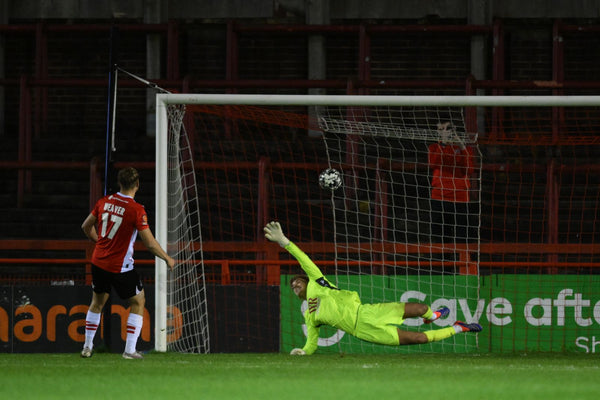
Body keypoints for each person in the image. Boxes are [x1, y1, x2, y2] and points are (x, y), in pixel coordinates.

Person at [263, 221, 482, 355]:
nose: (295, 285)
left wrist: (284, 242)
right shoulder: (311, 316)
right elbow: (311, 343)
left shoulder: (317, 282)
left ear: (305, 280)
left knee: (420, 307)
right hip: (365, 331)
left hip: (367, 311)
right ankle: (460, 327)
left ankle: (432, 315)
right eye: (292, 286)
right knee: (418, 339)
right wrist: (302, 351)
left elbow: (304, 259)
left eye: (297, 281)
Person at [80, 167, 175, 359]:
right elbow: (149, 243)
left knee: (96, 303)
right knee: (138, 301)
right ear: (137, 185)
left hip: (98, 262)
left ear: (119, 183)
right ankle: (129, 350)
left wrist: (99, 241)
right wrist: (167, 258)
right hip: (120, 267)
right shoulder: (136, 210)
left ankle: (87, 347)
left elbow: (85, 226)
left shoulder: (104, 202)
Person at [428, 122, 475, 244]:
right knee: (440, 238)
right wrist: (443, 144)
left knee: (463, 236)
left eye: (448, 128)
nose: (445, 132)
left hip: (460, 198)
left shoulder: (465, 148)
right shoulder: (434, 147)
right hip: (440, 197)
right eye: (440, 129)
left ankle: (462, 263)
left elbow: (469, 170)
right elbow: (433, 163)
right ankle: (442, 262)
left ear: (455, 129)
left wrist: (461, 147)